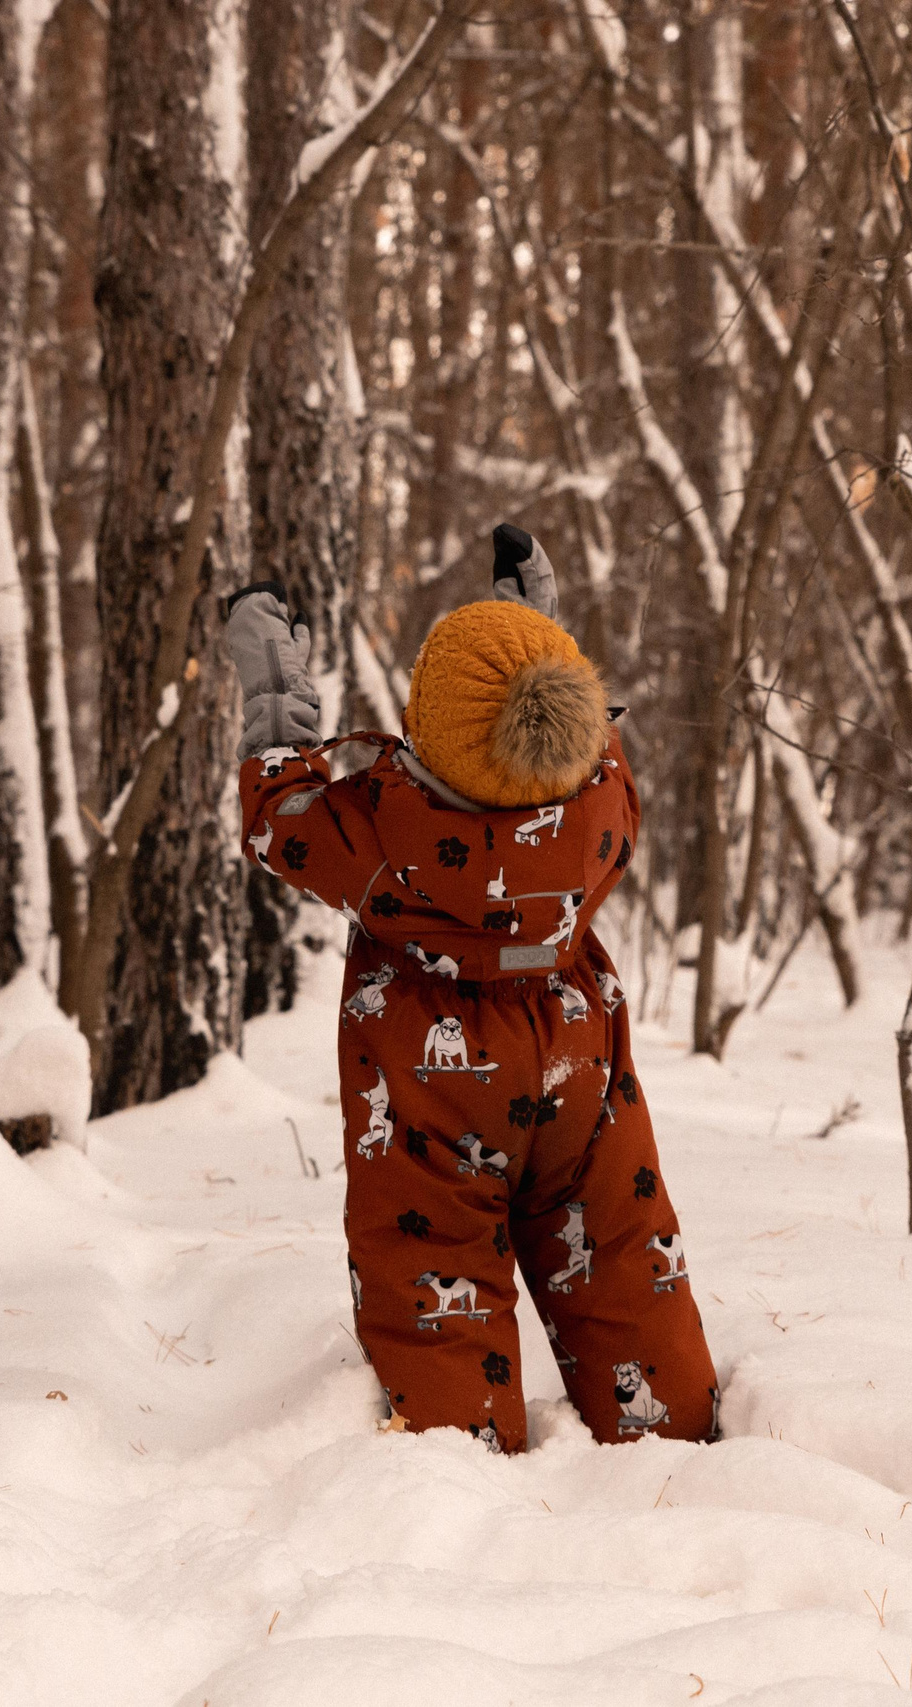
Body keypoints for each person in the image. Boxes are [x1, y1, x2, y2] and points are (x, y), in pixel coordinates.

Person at [223, 524, 718, 1451]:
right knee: (617, 1249)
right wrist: (539, 645)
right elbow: (588, 748)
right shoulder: (603, 807)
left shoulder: (375, 832)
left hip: (433, 1091)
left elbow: (276, 817)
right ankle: (673, 1440)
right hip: (575, 1067)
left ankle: (465, 1472)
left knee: (434, 1279)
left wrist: (275, 695)